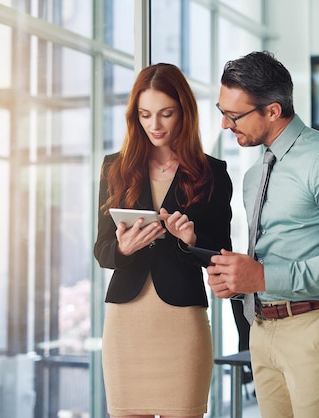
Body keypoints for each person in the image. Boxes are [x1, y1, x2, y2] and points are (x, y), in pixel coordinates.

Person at [206, 51, 319, 418]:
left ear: (272, 110)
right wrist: (238, 281)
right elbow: (272, 258)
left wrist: (263, 276)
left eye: (234, 115)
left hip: (316, 329)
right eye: (222, 111)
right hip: (264, 329)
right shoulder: (256, 174)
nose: (224, 124)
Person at [93, 63, 233, 418]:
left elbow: (221, 255)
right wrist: (124, 248)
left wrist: (190, 239)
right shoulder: (115, 168)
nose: (154, 125)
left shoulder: (211, 173)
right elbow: (102, 250)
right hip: (126, 323)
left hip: (182, 324)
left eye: (165, 114)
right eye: (145, 115)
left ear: (183, 113)